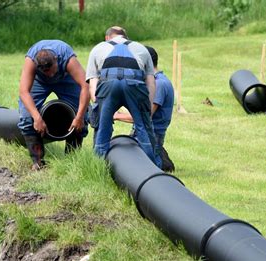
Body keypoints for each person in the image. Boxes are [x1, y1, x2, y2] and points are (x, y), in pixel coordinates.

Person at [86, 26, 157, 164]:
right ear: (126, 37)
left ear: (107, 38)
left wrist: (98, 105)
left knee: (103, 129)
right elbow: (151, 82)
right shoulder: (141, 48)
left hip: (108, 86)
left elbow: (93, 82)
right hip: (134, 85)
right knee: (143, 129)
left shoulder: (98, 48)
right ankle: (152, 167)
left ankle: (98, 167)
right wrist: (146, 108)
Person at [18, 40, 90, 170]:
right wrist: (37, 118)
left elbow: (86, 85)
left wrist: (79, 117)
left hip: (65, 79)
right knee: (27, 119)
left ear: (56, 60)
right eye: (45, 71)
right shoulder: (31, 61)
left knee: (82, 118)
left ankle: (72, 160)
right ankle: (38, 162)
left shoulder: (67, 58)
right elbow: (24, 92)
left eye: (51, 70)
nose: (50, 74)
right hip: (39, 82)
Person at [114, 46, 175, 171]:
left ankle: (159, 158)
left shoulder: (159, 84)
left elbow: (144, 117)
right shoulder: (152, 82)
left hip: (150, 136)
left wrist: (115, 115)